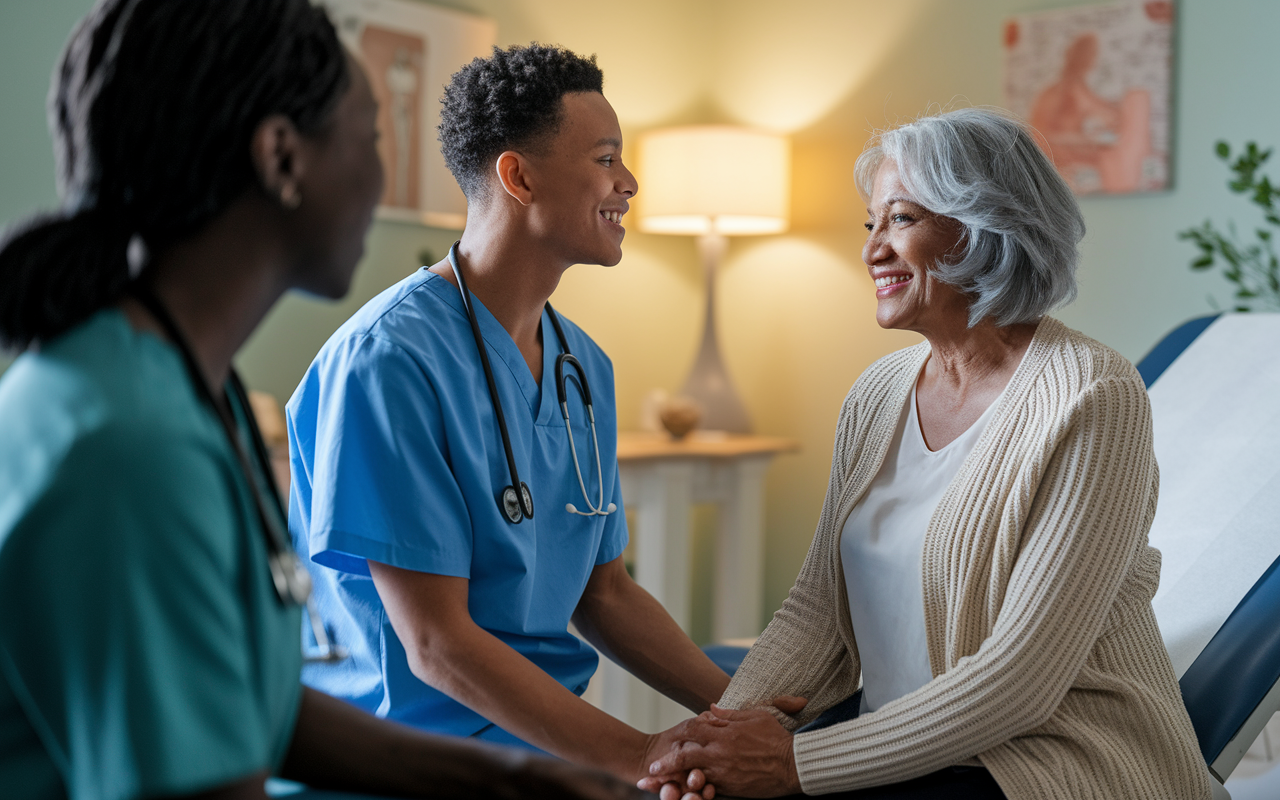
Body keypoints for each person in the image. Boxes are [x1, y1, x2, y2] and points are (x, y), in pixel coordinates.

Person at [0, 3, 643, 799]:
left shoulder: (187, 385)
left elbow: (259, 711)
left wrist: (515, 779)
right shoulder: (130, 448)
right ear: (282, 158)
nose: (379, 182)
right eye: (372, 140)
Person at [641, 108, 1211, 799]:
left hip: (1052, 761)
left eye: (902, 219)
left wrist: (795, 765)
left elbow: (1021, 680)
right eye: (870, 223)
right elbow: (815, 610)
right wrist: (715, 744)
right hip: (906, 749)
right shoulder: (878, 392)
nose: (872, 248)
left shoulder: (1093, 395)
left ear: (986, 227)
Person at [287, 43, 787, 791]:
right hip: (404, 766)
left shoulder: (583, 366)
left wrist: (747, 716)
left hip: (536, 754)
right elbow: (436, 643)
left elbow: (604, 592)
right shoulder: (388, 361)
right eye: (606, 158)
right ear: (518, 176)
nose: (630, 183)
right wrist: (643, 755)